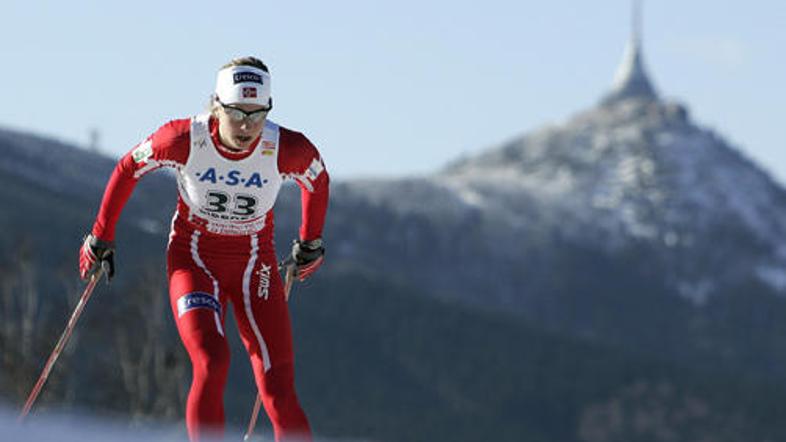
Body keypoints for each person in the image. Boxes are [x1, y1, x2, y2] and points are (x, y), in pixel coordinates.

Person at [78, 56, 329, 442]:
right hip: (194, 261)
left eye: (257, 114)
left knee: (278, 387)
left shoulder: (285, 147)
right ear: (216, 104)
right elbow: (128, 167)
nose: (247, 126)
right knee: (212, 361)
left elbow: (317, 178)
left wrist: (310, 241)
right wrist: (101, 236)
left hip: (253, 265)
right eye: (236, 113)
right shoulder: (184, 139)